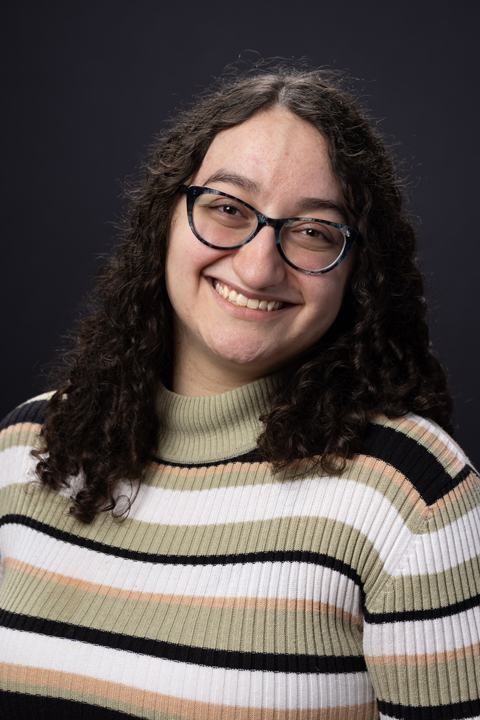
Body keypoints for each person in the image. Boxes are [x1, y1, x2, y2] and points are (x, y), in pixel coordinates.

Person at [0, 64, 478, 720]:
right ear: (165, 219)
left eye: (313, 231)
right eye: (227, 209)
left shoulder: (413, 498)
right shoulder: (23, 452)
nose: (258, 265)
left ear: (358, 271)